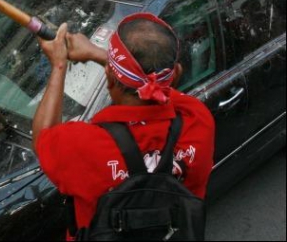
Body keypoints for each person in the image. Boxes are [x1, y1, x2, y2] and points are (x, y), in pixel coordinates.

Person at [32, 14, 215, 238]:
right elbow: (159, 89)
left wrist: (59, 64)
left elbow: (43, 136)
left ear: (109, 78)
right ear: (175, 73)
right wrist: (101, 57)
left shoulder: (82, 145)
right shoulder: (198, 120)